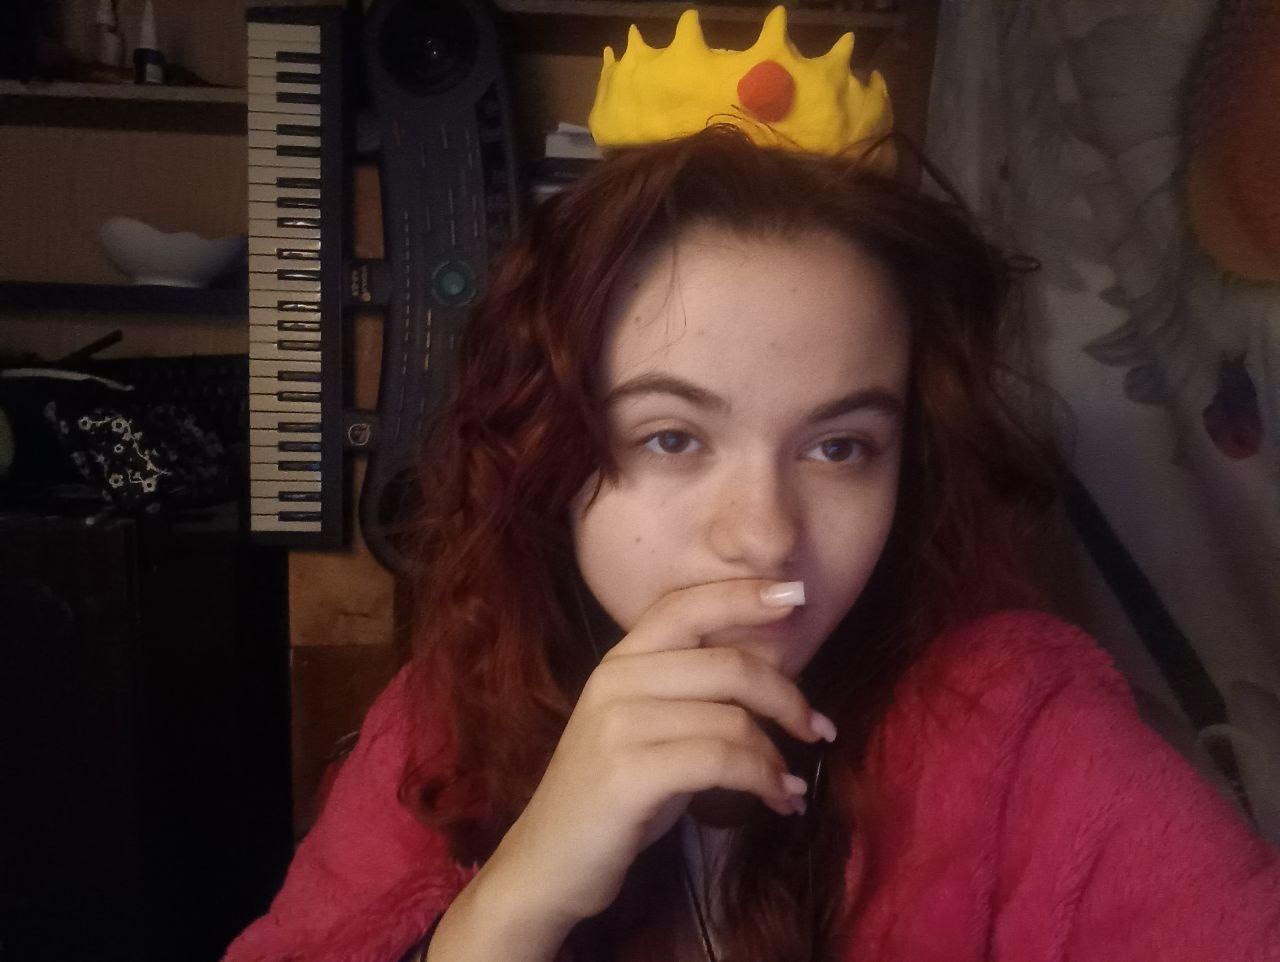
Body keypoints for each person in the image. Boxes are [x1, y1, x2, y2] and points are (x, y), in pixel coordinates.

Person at [224, 12, 1280, 962]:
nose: (765, 536)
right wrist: (508, 905)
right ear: (549, 449)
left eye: (840, 448)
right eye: (672, 437)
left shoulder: (1021, 736)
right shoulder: (444, 724)